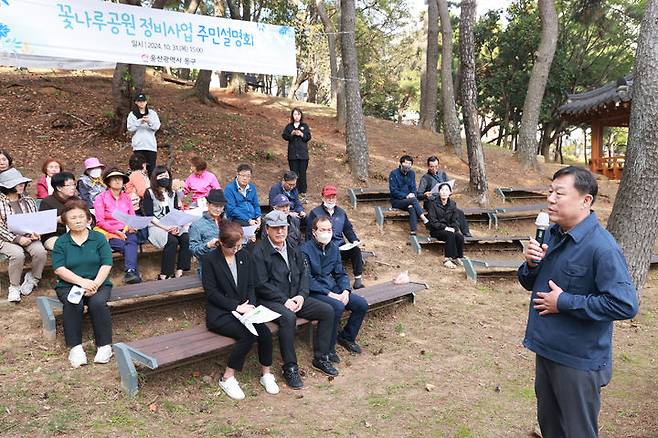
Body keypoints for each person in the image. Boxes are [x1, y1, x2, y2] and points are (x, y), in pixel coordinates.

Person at [518, 166, 638, 438]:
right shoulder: (550, 234)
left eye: (559, 193)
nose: (550, 199)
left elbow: (625, 304)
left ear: (586, 201)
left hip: (578, 361)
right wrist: (531, 264)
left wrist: (565, 302)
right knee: (551, 428)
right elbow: (529, 283)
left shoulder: (602, 247)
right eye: (550, 192)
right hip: (547, 349)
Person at [253, 210, 338, 389]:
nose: (280, 232)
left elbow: (303, 275)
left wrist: (301, 295)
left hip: (294, 297)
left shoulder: (292, 248)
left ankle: (321, 357)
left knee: (327, 311)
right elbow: (261, 284)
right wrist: (284, 300)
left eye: (283, 227)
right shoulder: (259, 251)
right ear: (267, 229)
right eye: (275, 228)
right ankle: (290, 367)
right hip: (270, 300)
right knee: (288, 318)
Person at [202, 220, 279, 400]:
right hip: (221, 313)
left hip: (245, 310)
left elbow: (251, 285)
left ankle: (266, 374)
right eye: (233, 248)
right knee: (247, 336)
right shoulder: (210, 261)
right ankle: (227, 377)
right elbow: (211, 293)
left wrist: (250, 306)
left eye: (239, 246)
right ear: (221, 242)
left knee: (265, 333)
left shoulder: (244, 255)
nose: (237, 250)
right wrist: (235, 307)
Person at [52, 200, 114, 368]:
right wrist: (82, 283)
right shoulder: (61, 242)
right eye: (73, 217)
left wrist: (94, 284)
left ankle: (104, 346)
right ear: (66, 221)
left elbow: (106, 263)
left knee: (98, 303)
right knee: (73, 303)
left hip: (98, 283)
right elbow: (59, 268)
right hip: (69, 284)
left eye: (81, 216)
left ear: (88, 219)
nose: (78, 220)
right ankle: (76, 347)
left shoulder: (99, 238)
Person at [301, 216, 368, 363]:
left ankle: (347, 337)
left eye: (329, 230)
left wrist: (345, 290)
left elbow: (341, 273)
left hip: (333, 288)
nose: (326, 233)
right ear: (314, 232)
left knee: (361, 304)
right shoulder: (305, 250)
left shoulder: (333, 248)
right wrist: (330, 294)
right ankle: (329, 348)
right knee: (336, 306)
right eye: (322, 230)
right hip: (314, 292)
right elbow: (306, 279)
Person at [0, 168, 47, 302]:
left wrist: (36, 233)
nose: (21, 185)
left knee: (40, 251)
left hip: (28, 236)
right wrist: (17, 239)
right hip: (6, 238)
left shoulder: (29, 201)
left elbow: (35, 221)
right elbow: (0, 228)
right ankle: (14, 286)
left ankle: (33, 278)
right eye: (17, 183)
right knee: (17, 254)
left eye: (22, 183)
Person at [307, 185, 364, 289]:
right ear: (323, 197)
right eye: (328, 197)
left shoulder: (341, 212)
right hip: (324, 248)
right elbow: (309, 235)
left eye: (333, 197)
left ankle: (358, 280)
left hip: (341, 247)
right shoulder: (315, 213)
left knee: (356, 250)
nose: (331, 199)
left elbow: (348, 229)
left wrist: (354, 240)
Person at [142, 165, 192, 280]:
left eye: (166, 175)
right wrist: (165, 228)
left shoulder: (172, 193)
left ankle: (180, 270)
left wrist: (176, 225)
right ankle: (165, 274)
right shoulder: (149, 193)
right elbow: (149, 216)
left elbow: (175, 212)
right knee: (172, 241)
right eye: (161, 175)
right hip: (156, 226)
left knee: (185, 237)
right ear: (155, 177)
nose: (164, 178)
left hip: (172, 224)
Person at [93, 168, 142, 284]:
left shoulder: (126, 197)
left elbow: (132, 216)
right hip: (108, 231)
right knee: (127, 247)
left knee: (132, 240)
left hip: (126, 230)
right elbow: (100, 221)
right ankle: (132, 272)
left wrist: (132, 225)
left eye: (120, 178)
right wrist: (116, 231)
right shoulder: (101, 198)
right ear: (108, 182)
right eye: (114, 179)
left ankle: (130, 272)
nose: (117, 181)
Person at [418, 156, 471, 236]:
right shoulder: (425, 178)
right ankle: (446, 230)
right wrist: (425, 195)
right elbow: (419, 194)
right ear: (428, 166)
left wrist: (449, 191)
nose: (434, 168)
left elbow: (448, 185)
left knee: (458, 212)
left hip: (444, 200)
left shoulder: (443, 174)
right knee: (442, 213)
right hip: (432, 202)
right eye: (432, 166)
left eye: (436, 166)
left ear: (438, 165)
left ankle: (466, 232)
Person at [426, 180, 465, 269]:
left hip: (449, 229)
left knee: (459, 236)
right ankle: (447, 259)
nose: (444, 192)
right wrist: (445, 228)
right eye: (442, 190)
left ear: (450, 193)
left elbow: (454, 220)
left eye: (446, 190)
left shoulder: (453, 204)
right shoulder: (433, 204)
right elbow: (433, 222)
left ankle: (457, 257)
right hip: (436, 230)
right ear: (439, 192)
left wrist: (454, 228)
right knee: (450, 234)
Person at [389, 155, 429, 235]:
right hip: (397, 201)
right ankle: (424, 219)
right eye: (406, 163)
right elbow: (393, 191)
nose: (407, 165)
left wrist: (413, 194)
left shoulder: (412, 173)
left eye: (409, 163)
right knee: (413, 200)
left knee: (411, 208)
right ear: (401, 163)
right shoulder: (394, 174)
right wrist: (406, 196)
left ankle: (413, 231)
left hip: (409, 201)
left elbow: (413, 188)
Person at [39, 172, 80, 250]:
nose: (73, 188)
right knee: (66, 247)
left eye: (74, 184)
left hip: (76, 232)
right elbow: (42, 224)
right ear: (59, 188)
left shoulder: (76, 200)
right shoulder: (47, 202)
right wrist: (57, 220)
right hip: (54, 235)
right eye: (68, 185)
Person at [189, 189, 226, 272]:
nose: (218, 209)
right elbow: (194, 250)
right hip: (209, 266)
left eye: (221, 206)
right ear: (207, 204)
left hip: (228, 262)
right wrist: (208, 246)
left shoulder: (226, 222)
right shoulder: (196, 225)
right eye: (215, 206)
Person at [126, 92, 160, 176]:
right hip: (138, 146)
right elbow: (130, 128)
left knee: (151, 169)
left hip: (150, 146)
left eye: (143, 101)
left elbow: (157, 126)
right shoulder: (132, 114)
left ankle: (151, 187)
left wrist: (149, 121)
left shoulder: (152, 113)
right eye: (139, 101)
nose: (141, 103)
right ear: (136, 102)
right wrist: (140, 121)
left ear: (146, 102)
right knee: (138, 169)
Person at [282, 108, 312, 200]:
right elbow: (284, 136)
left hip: (303, 155)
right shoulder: (289, 126)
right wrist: (292, 134)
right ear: (292, 116)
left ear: (301, 115)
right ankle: (294, 191)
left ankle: (303, 192)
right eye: (295, 114)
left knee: (302, 173)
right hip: (292, 155)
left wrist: (302, 134)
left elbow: (308, 137)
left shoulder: (304, 126)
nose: (297, 116)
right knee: (293, 173)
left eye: (298, 114)